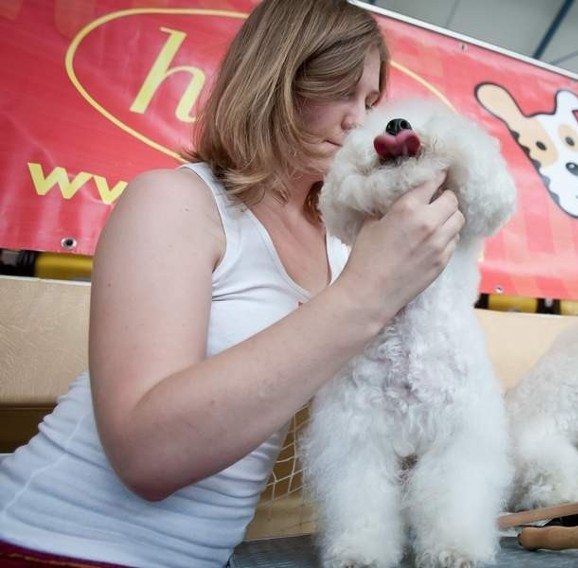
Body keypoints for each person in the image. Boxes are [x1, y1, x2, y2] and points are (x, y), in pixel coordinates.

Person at [0, 1, 463, 566]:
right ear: (274, 79)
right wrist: (368, 294)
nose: (358, 122)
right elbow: (147, 456)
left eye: (369, 101)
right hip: (45, 542)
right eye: (336, 88)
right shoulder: (177, 201)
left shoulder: (343, 246)